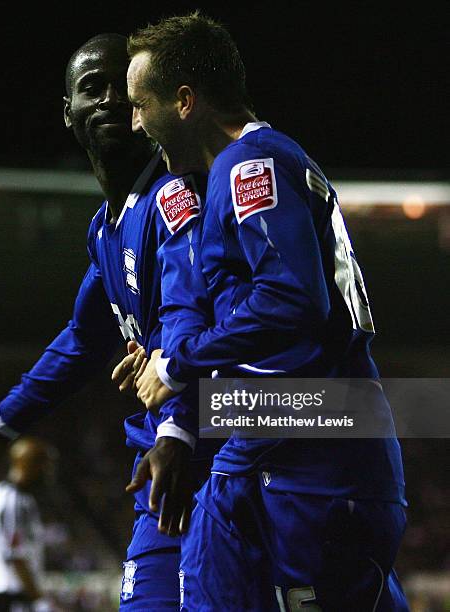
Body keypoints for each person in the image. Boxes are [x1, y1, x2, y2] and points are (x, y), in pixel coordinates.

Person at [126, 13, 409, 611]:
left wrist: (177, 364)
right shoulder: (256, 162)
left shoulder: (250, 164)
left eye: (139, 104)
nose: (135, 123)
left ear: (184, 101)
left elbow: (290, 300)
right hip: (286, 439)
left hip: (314, 452)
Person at [0, 33, 213, 610]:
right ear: (69, 114)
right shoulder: (106, 228)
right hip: (162, 474)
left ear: (141, 107)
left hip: (215, 459)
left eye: (119, 88)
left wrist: (177, 428)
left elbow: (192, 315)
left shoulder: (175, 198)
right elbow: (83, 339)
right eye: (91, 88)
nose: (107, 99)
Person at [0, 437, 55, 612]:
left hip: (6, 594)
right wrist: (40, 600)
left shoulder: (0, 494)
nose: (47, 471)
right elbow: (14, 556)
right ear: (28, 464)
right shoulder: (13, 500)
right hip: (12, 597)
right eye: (43, 464)